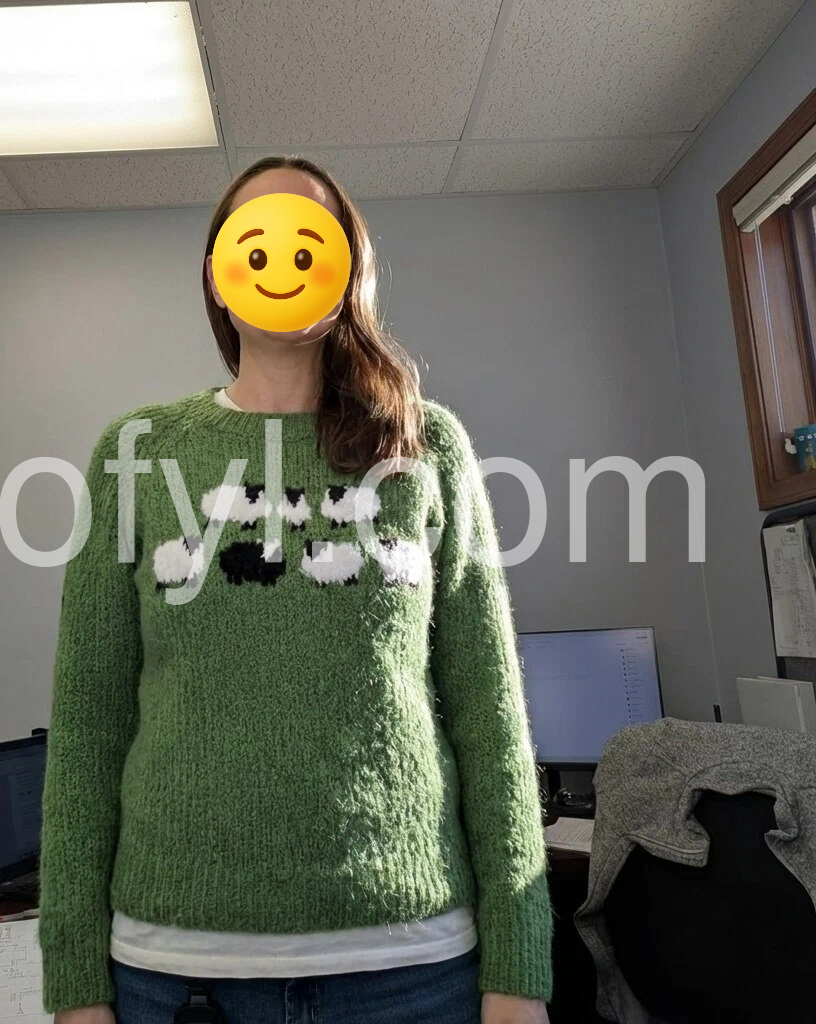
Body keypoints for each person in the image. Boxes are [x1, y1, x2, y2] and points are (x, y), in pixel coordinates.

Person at [38, 155, 553, 1024]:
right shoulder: (137, 453)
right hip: (177, 976)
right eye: (256, 238)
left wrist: (519, 965)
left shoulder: (427, 449)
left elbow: (490, 714)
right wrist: (75, 982)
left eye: (310, 239)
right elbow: (87, 728)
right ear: (217, 274)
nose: (283, 258)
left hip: (415, 971)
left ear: (352, 270)